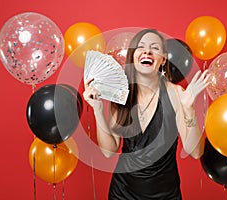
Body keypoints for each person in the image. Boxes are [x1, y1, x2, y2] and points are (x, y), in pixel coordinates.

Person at [83, 28, 210, 200]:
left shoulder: (176, 94)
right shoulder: (121, 94)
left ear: (163, 59)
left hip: (165, 194)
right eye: (140, 47)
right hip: (122, 193)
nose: (147, 51)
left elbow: (195, 152)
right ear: (133, 56)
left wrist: (189, 109)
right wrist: (98, 109)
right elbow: (109, 150)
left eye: (155, 48)